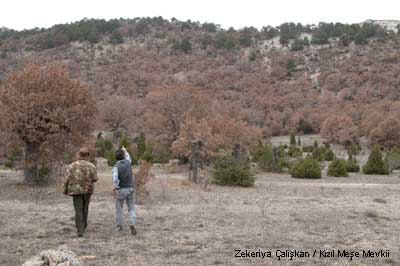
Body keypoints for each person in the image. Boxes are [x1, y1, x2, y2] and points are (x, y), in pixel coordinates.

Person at [63, 147, 98, 237]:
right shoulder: (91, 166)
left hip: (75, 191)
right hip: (87, 190)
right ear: (88, 155)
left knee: (78, 209)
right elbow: (95, 178)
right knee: (85, 208)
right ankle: (84, 225)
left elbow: (66, 179)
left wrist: (65, 190)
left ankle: (80, 229)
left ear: (79, 154)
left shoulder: (72, 166)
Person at [112, 146, 137, 235]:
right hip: (131, 188)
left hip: (121, 189)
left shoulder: (116, 167)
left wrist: (114, 188)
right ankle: (132, 223)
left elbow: (115, 179)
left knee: (119, 208)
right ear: (124, 156)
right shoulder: (128, 163)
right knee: (131, 208)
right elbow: (128, 156)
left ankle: (119, 226)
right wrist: (125, 150)